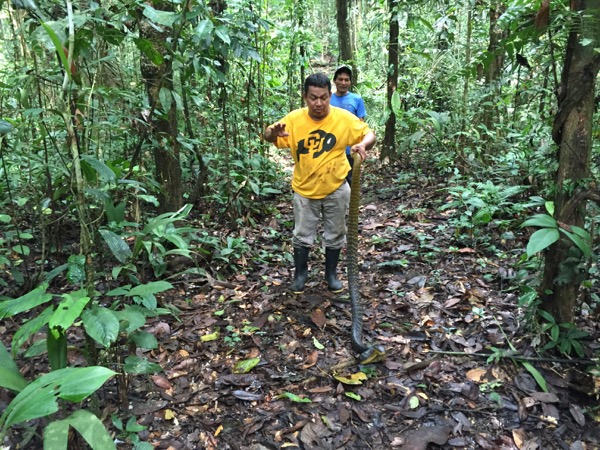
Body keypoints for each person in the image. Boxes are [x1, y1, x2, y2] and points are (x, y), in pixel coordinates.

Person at [264, 73, 376, 294]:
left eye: (323, 97)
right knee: (302, 234)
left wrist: (363, 145)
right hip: (305, 189)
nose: (318, 103)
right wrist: (270, 133)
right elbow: (271, 135)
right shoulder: (295, 119)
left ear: (330, 95)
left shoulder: (343, 118)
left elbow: (369, 134)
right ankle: (300, 274)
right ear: (305, 97)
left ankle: (331, 274)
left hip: (336, 187)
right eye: (313, 98)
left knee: (335, 233)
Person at [330, 65, 367, 186]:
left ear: (350, 82)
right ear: (335, 80)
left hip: (350, 148)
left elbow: (360, 124)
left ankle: (350, 205)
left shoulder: (356, 99)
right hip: (330, 147)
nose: (343, 82)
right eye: (340, 79)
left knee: (350, 179)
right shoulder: (327, 98)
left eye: (346, 80)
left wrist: (361, 145)